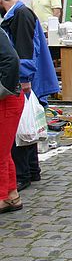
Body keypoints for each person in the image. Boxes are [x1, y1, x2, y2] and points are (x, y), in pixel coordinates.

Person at [0, 0, 59, 192]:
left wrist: (24, 80)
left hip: (27, 79)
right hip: (32, 78)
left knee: (20, 130)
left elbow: (24, 51)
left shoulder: (20, 15)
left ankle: (23, 174)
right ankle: (33, 170)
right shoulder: (22, 13)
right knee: (29, 125)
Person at [0, 28, 23, 214]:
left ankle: (2, 197)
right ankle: (11, 195)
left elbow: (11, 60)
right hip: (8, 98)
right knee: (4, 150)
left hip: (7, 100)